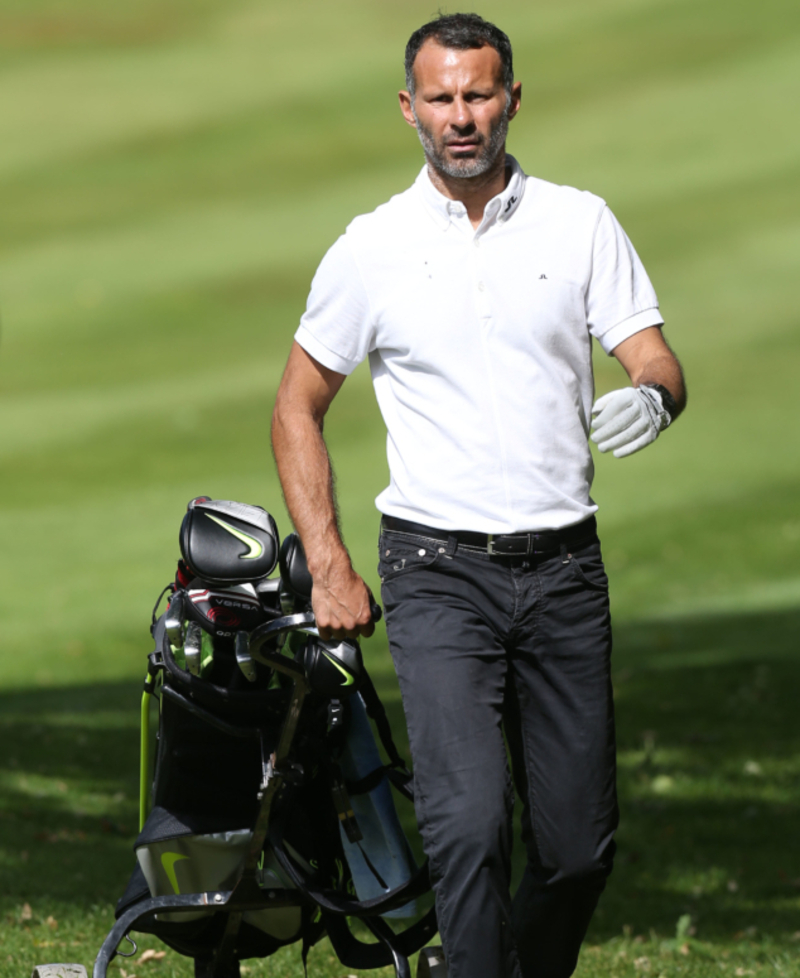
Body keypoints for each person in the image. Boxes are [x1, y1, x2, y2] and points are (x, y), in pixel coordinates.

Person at [271, 13, 686, 978]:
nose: (463, 117)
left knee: (580, 849)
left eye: (480, 95)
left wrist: (658, 398)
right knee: (465, 828)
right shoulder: (371, 247)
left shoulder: (580, 221)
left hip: (565, 568)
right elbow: (298, 405)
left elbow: (653, 354)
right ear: (410, 108)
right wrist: (328, 565)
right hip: (435, 569)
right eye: (443, 98)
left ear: (512, 99)